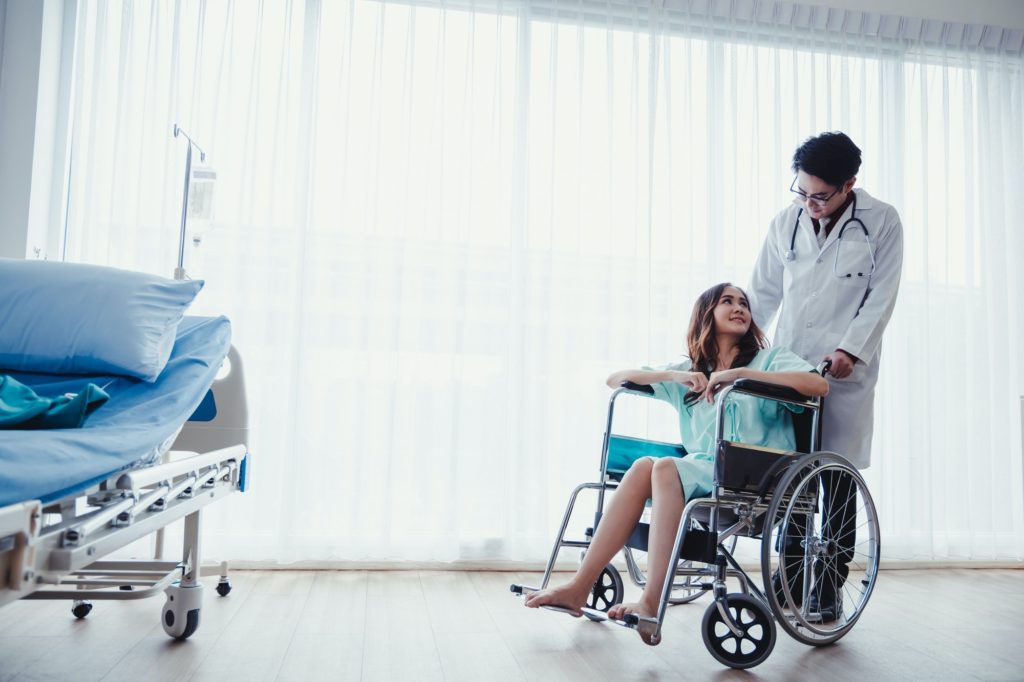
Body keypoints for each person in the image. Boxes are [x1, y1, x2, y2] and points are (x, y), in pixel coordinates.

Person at [524, 283, 828, 636]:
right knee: (642, 467)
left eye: (743, 303)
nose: (739, 307)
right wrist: (673, 376)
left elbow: (818, 387)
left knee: (665, 466)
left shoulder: (769, 360)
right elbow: (615, 380)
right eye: (727, 301)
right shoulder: (691, 372)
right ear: (706, 314)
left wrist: (740, 375)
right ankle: (578, 588)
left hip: (759, 474)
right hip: (705, 472)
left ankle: (651, 602)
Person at [747, 131, 903, 619]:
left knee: (835, 481)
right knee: (789, 479)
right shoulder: (785, 222)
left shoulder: (881, 223)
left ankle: (829, 589)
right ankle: (790, 580)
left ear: (849, 184)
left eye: (820, 195)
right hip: (791, 371)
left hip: (843, 372)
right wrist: (738, 355)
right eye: (801, 192)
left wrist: (849, 350)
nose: (809, 203)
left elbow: (882, 296)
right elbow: (762, 294)